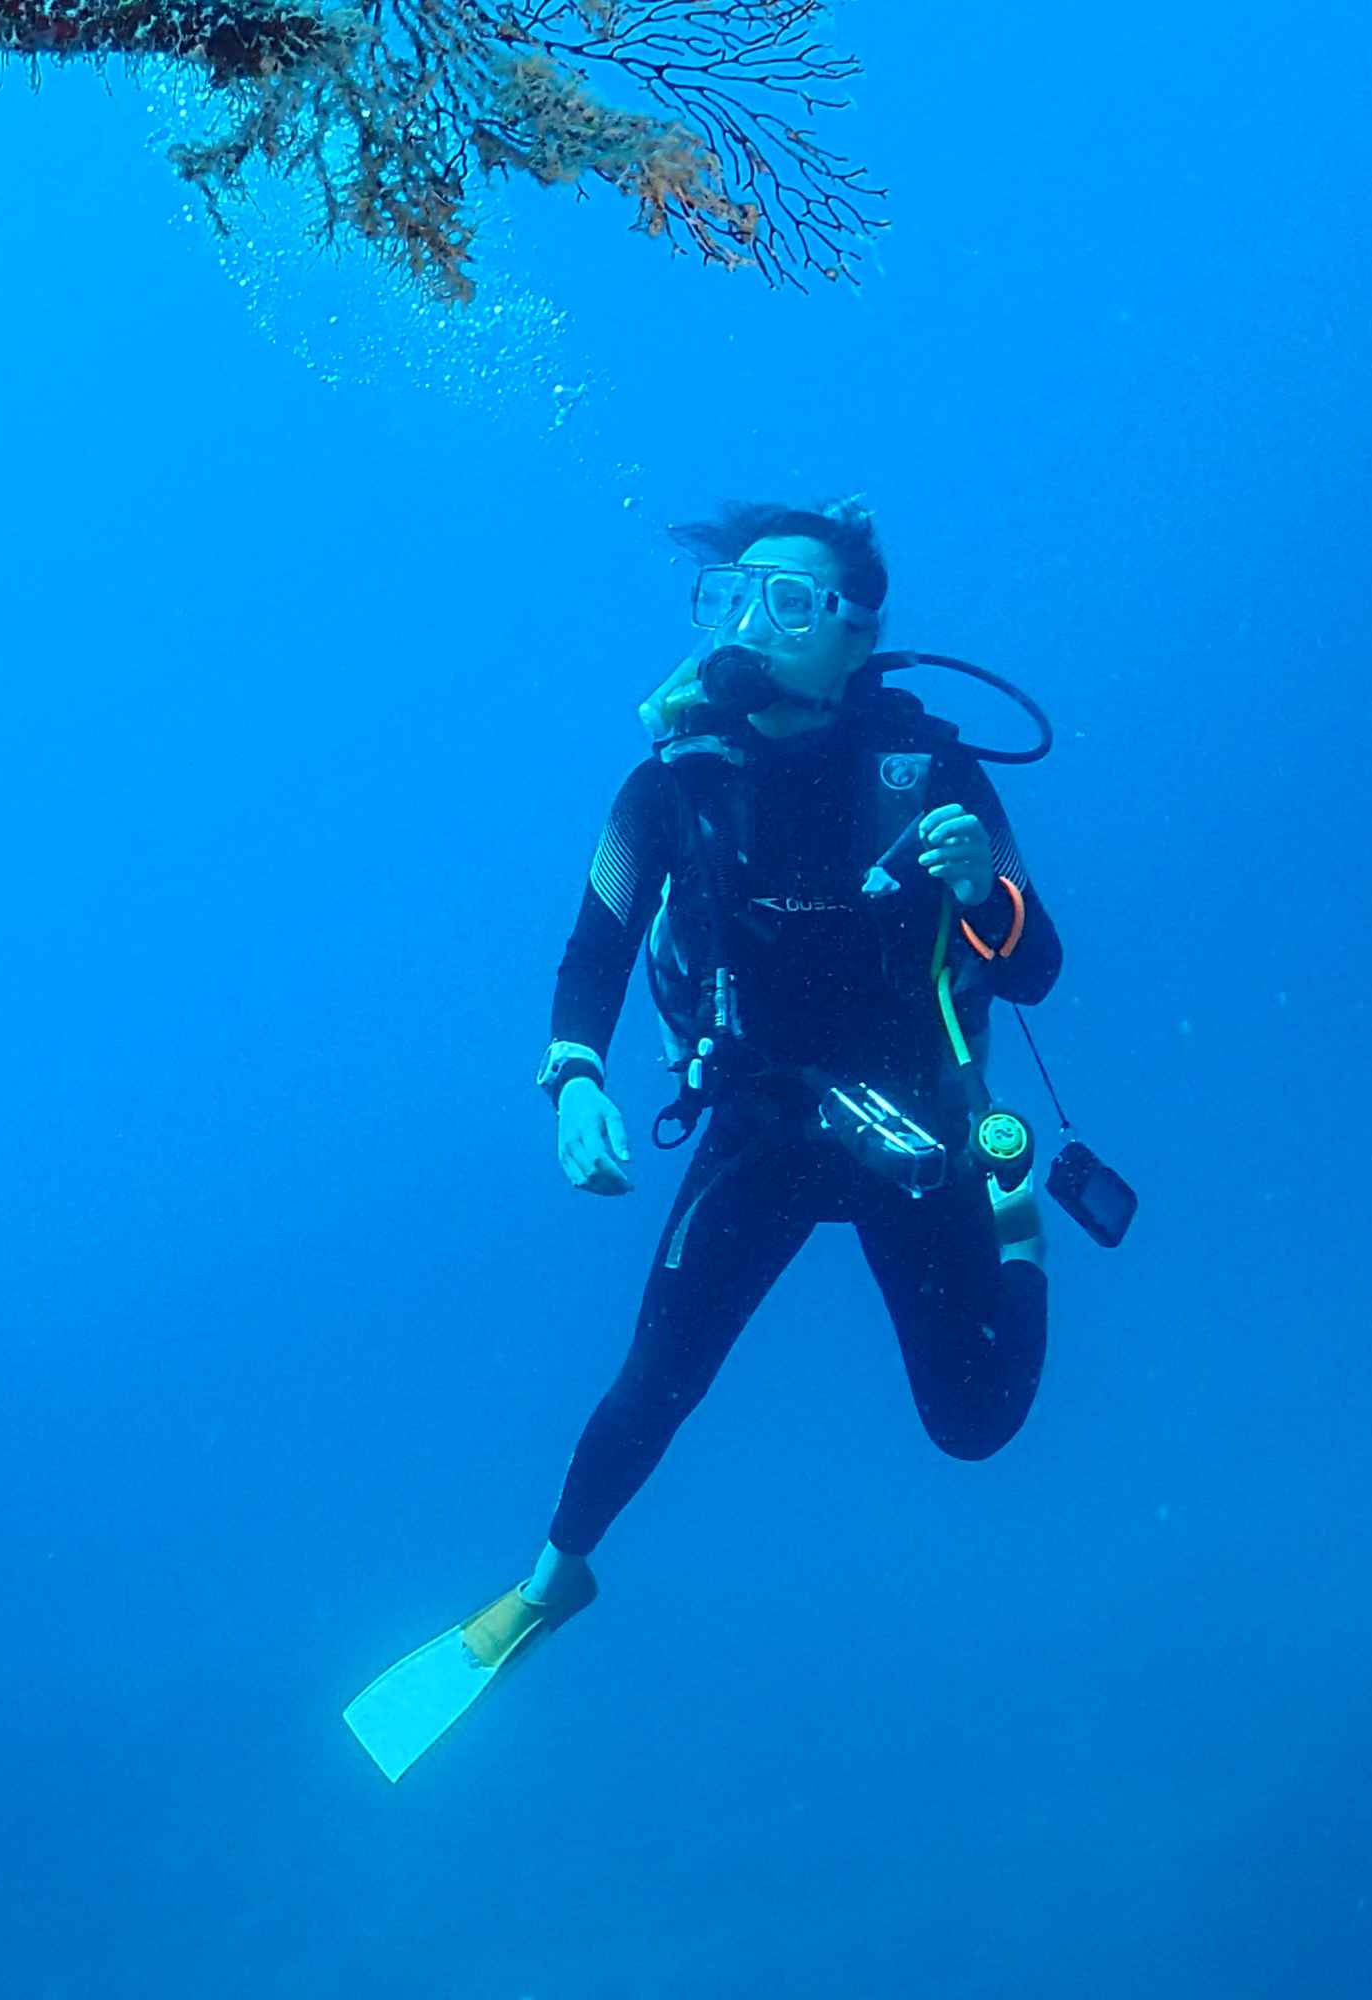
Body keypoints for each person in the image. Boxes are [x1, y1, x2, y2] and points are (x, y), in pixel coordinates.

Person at [344, 497, 1064, 1781]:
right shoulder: (670, 782)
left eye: (789, 603)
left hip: (921, 1130)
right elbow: (596, 945)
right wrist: (572, 1078)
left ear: (857, 632)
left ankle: (1022, 1222)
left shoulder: (933, 773)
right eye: (733, 596)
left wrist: (979, 887)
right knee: (647, 1385)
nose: (751, 624)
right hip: (761, 1122)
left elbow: (1039, 967)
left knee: (975, 1423)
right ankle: (550, 1582)